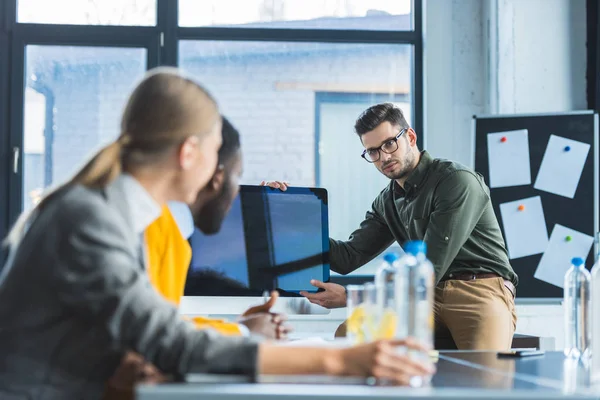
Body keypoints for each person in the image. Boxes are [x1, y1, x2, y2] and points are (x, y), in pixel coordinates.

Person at [0, 71, 433, 399]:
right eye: (213, 154)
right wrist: (340, 360)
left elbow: (139, 336)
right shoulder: (89, 220)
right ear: (189, 153)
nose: (219, 173)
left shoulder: (109, 215)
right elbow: (170, 342)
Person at [272, 103, 518, 351]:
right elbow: (348, 257)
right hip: (423, 299)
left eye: (389, 143)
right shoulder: (387, 201)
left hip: (478, 290)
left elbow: (428, 270)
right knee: (349, 334)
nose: (384, 157)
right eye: (373, 151)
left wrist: (351, 298)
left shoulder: (456, 181)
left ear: (410, 137)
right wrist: (290, 216)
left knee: (486, 374)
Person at [145, 116, 287, 340]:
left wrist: (241, 327)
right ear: (218, 177)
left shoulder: (170, 229)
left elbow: (163, 322)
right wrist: (244, 331)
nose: (236, 193)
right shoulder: (149, 228)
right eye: (237, 176)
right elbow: (152, 337)